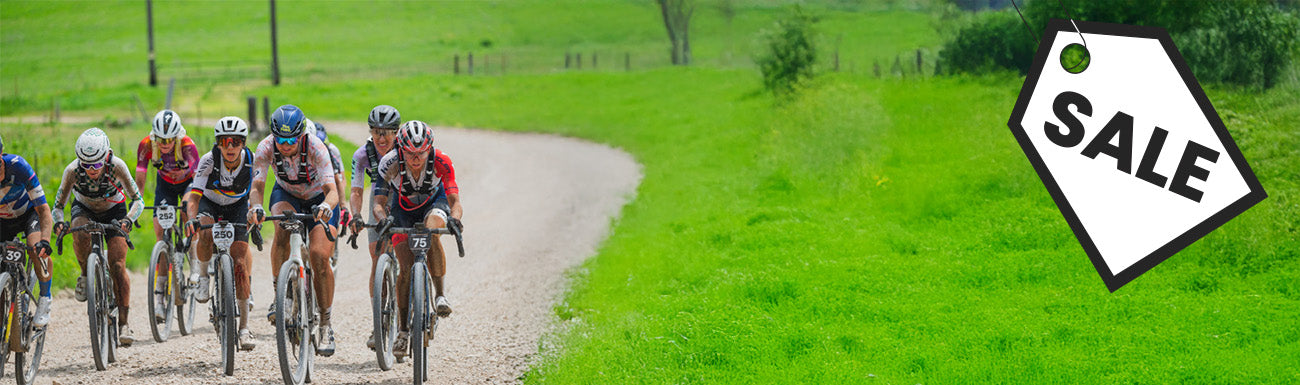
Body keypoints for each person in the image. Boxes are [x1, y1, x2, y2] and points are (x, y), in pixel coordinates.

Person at [246, 105, 340, 355]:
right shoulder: (266, 147)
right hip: (287, 193)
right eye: (280, 139)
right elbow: (257, 186)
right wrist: (255, 206)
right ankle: (281, 297)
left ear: (301, 135)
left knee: (320, 256)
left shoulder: (316, 148)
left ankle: (326, 324)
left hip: (319, 197)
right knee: (282, 229)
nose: (285, 145)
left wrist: (326, 207)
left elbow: (333, 192)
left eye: (291, 140)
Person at [371, 120, 463, 357]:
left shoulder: (442, 160)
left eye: (421, 152)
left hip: (434, 203)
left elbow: (455, 202)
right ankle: (402, 332)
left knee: (430, 232)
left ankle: (440, 294)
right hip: (402, 209)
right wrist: (383, 220)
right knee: (405, 267)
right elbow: (379, 204)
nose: (416, 158)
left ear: (430, 148)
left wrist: (454, 219)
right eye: (410, 153)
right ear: (400, 149)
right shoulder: (388, 164)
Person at [51, 128, 145, 346]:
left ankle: (124, 323)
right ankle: (85, 273)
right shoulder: (72, 171)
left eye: (96, 164)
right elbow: (58, 206)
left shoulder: (118, 166)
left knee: (118, 266)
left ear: (106, 156)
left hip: (115, 210)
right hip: (84, 208)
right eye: (86, 164)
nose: (91, 170)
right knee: (78, 228)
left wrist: (129, 220)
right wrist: (59, 223)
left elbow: (137, 200)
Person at [184, 117, 258, 351]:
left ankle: (245, 329)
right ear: (217, 144)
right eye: (224, 142)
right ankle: (204, 276)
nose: (229, 147)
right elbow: (194, 197)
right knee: (205, 230)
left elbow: (256, 191)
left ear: (243, 143)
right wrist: (193, 220)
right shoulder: (208, 161)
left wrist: (255, 211)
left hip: (237, 206)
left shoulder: (252, 161)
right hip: (210, 203)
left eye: (235, 142)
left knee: (240, 266)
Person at [348, 105, 400, 349]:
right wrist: (356, 215)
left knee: (405, 252)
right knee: (376, 256)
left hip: (403, 196)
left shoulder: (404, 148)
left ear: (396, 133)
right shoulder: (362, 155)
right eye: (376, 132)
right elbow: (357, 190)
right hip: (377, 198)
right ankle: (378, 321)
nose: (381, 138)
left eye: (387, 133)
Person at [0, 134, 55, 327]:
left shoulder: (18, 167)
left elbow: (43, 210)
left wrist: (45, 241)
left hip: (28, 215)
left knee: (34, 248)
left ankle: (45, 297)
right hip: (2, 220)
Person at [305, 119, 350, 267]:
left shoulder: (330, 151)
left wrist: (343, 206)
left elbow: (339, 180)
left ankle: (329, 257)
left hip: (327, 189)